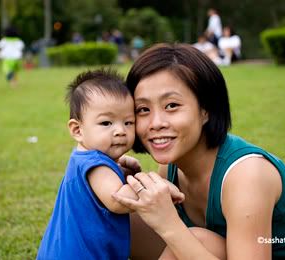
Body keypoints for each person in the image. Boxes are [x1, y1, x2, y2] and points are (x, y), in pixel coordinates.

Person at [112, 43, 285, 259]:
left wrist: (169, 224)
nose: (156, 122)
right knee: (122, 215)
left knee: (199, 240)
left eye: (172, 105)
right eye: (143, 109)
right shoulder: (172, 166)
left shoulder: (247, 175)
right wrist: (115, 176)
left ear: (205, 110)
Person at [36, 68, 184, 260]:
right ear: (77, 130)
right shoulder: (96, 165)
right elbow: (117, 200)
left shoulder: (85, 159)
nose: (120, 131)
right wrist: (158, 185)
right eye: (106, 123)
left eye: (128, 122)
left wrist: (119, 171)